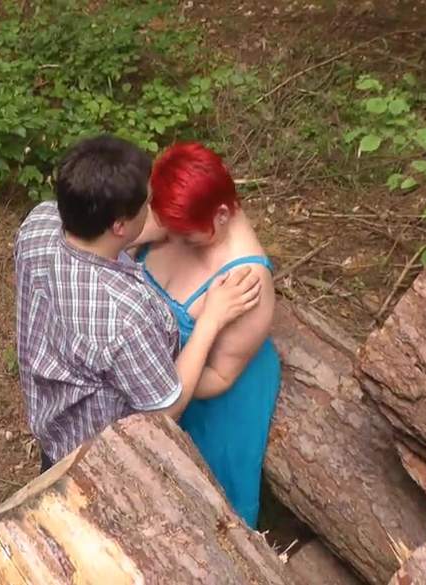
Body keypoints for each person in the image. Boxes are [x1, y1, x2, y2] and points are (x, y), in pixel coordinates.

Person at [14, 135, 263, 473]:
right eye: (147, 205)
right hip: (98, 458)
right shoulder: (125, 316)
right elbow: (165, 408)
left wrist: (137, 235)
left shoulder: (38, 224)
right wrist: (211, 319)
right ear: (118, 225)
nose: (154, 212)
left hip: (56, 429)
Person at [135, 141, 281, 527]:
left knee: (207, 507)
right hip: (156, 382)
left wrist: (154, 384)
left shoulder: (247, 280)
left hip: (212, 403)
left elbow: (220, 375)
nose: (173, 240)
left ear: (221, 216)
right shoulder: (181, 215)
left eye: (186, 237)